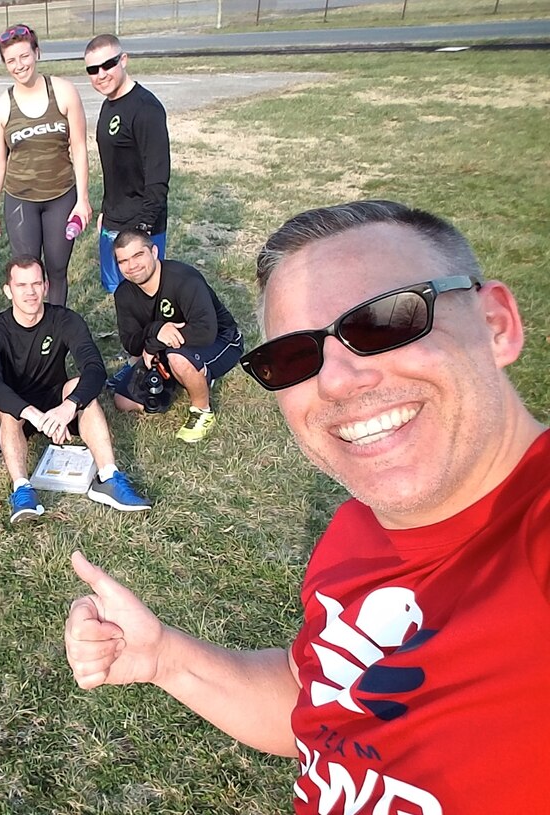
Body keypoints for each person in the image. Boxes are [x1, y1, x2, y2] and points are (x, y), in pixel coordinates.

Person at [64, 200, 550, 812]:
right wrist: (165, 657)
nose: (339, 379)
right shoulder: (353, 535)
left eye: (389, 322)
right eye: (297, 356)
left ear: (496, 323)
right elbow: (317, 695)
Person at [0, 256, 151, 523]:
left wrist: (69, 406)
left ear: (46, 286)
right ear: (8, 290)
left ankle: (109, 477)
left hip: (56, 400)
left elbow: (94, 368)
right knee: (6, 407)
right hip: (17, 405)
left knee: (82, 390)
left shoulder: (65, 319)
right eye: (21, 285)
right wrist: (32, 414)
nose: (30, 292)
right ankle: (22, 490)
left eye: (36, 283)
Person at [0, 24, 91, 307]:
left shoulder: (64, 92)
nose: (19, 65)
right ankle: (30, 331)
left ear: (37, 53)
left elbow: (79, 148)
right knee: (28, 271)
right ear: (4, 64)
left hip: (61, 196)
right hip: (21, 200)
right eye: (11, 60)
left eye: (24, 56)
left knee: (56, 269)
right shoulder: (1, 107)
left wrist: (83, 199)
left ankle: (56, 328)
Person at [111, 229, 243, 443]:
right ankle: (179, 382)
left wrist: (154, 343)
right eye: (123, 261)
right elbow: (131, 344)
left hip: (221, 340)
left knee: (177, 357)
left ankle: (202, 411)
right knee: (122, 400)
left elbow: (205, 331)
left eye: (138, 255)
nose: (132, 266)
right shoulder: (124, 293)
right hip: (167, 346)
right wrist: (156, 330)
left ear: (154, 251)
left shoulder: (184, 279)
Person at [84, 34, 171, 296]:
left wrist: (141, 230)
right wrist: (105, 211)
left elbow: (158, 178)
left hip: (142, 224)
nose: (101, 74)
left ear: (123, 60)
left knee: (146, 295)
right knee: (117, 293)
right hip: (113, 220)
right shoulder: (108, 105)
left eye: (108, 65)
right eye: (92, 69)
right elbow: (115, 169)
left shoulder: (146, 108)